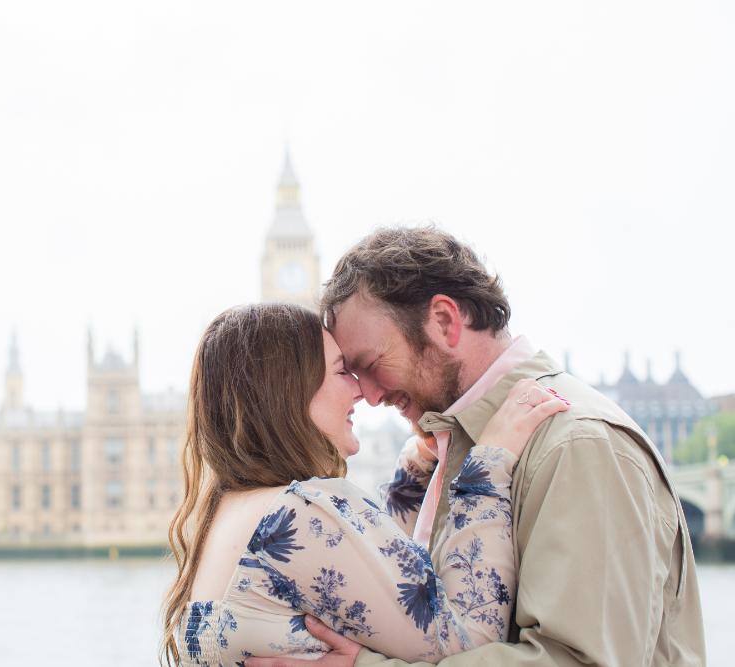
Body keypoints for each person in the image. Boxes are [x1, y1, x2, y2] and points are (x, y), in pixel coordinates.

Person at [246, 226, 706, 667]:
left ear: (444, 321)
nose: (367, 394)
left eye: (370, 363)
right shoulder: (445, 450)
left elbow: (576, 662)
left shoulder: (578, 446)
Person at [161, 303, 567, 666]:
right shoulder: (303, 509)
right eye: (342, 371)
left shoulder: (223, 515)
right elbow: (468, 642)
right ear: (289, 390)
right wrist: (489, 463)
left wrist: (415, 469)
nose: (362, 391)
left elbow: (371, 577)